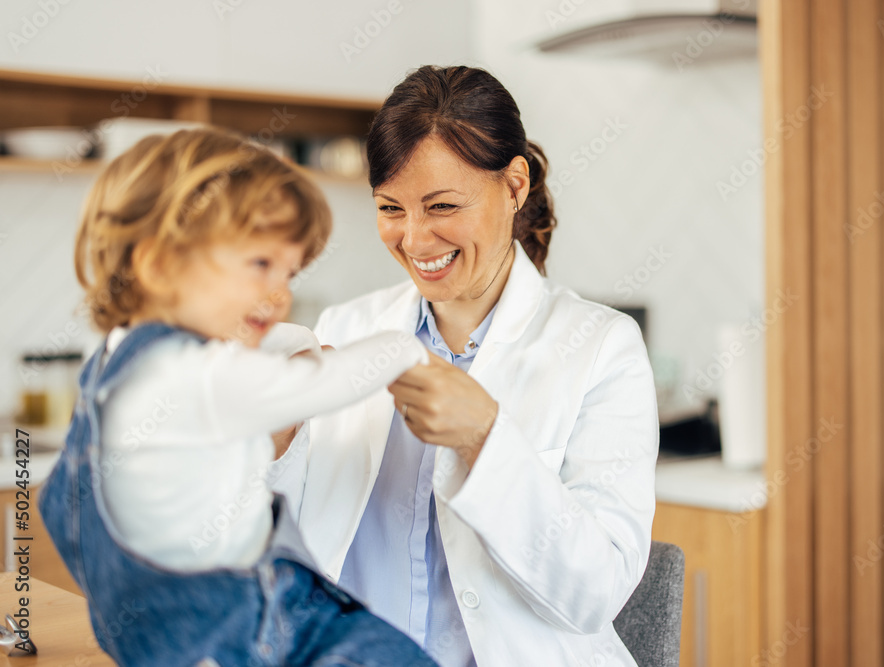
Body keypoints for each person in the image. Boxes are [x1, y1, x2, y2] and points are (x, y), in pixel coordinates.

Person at [269, 66, 659, 667]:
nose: (416, 239)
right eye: (390, 208)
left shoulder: (603, 347)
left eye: (443, 205)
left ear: (514, 186)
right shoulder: (344, 331)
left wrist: (485, 438)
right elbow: (268, 549)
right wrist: (276, 437)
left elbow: (594, 593)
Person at [39, 128, 439, 667]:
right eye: (259, 265)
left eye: (289, 272)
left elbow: (56, 504)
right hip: (253, 621)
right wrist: (404, 348)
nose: (281, 295)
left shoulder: (110, 367)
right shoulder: (196, 374)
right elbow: (321, 385)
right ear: (158, 264)